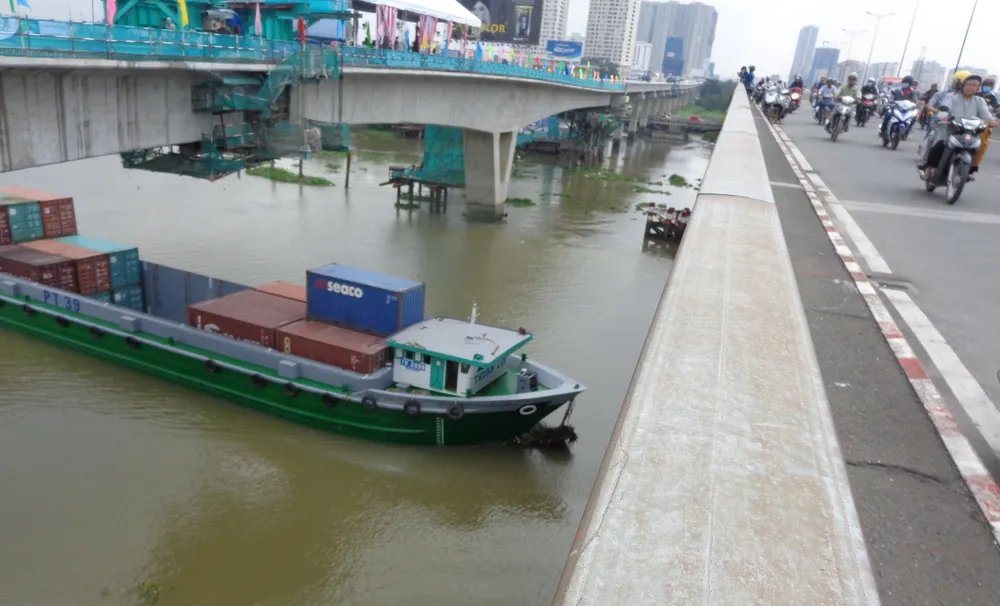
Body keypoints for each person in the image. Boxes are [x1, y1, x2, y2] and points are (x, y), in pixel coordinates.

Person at [919, 73, 996, 178]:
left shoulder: (980, 101)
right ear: (963, 85)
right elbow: (945, 108)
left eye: (974, 85)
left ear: (978, 88)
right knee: (939, 146)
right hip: (951, 130)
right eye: (969, 84)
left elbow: (986, 115)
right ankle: (928, 168)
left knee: (978, 146)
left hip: (971, 131)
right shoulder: (952, 98)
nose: (971, 87)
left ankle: (968, 169)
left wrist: (992, 121)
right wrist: (943, 116)